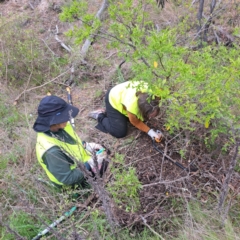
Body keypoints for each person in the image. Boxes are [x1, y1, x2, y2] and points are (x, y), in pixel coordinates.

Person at [33, 95, 107, 189]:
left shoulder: (61, 126)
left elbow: (71, 143)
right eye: (64, 117)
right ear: (54, 121)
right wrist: (90, 164)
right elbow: (68, 179)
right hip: (76, 183)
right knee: (107, 165)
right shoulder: (51, 151)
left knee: (105, 151)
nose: (68, 119)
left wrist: (86, 145)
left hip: (83, 162)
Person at [88, 80, 163, 140]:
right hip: (113, 98)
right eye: (151, 115)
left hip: (123, 92)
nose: (152, 117)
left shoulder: (154, 93)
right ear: (141, 109)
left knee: (143, 119)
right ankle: (100, 115)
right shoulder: (132, 107)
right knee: (119, 132)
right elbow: (135, 122)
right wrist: (150, 132)